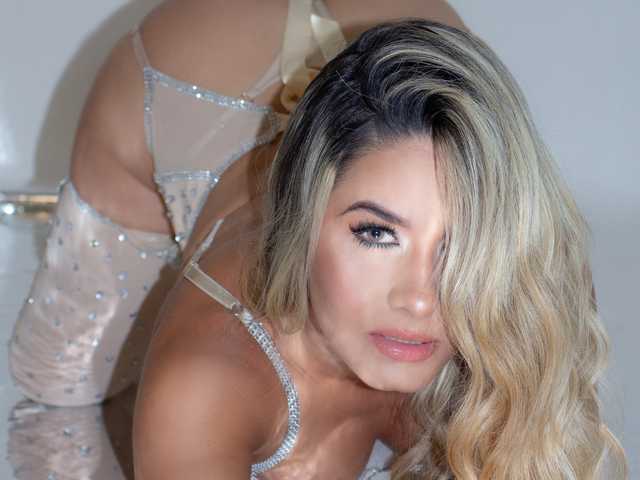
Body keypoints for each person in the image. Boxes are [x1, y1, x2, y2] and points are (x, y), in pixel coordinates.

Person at [132, 19, 628, 479]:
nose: (419, 300)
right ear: (304, 220)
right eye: (376, 233)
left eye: (460, 244)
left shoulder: (527, 285)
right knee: (89, 410)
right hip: (186, 92)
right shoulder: (203, 388)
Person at [8, 0, 465, 407]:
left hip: (204, 52)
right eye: (375, 232)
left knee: (65, 384)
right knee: (62, 382)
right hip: (202, 71)